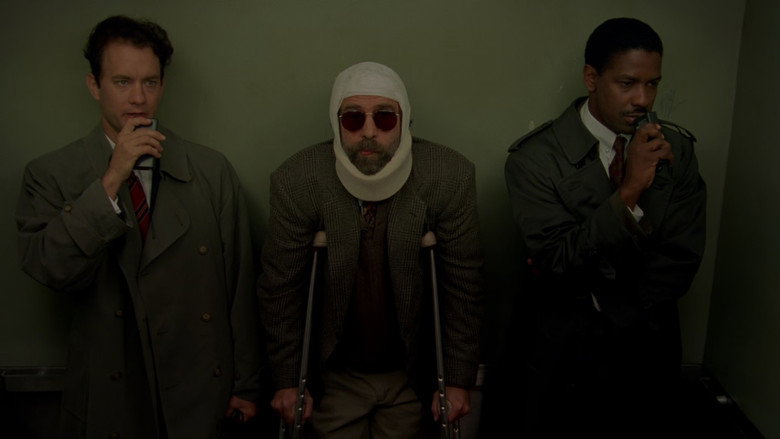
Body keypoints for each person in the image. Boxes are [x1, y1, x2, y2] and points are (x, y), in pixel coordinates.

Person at [16, 15, 262, 438]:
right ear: (94, 85)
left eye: (150, 82)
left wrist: (246, 384)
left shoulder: (211, 171)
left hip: (198, 394)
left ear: (163, 85)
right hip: (112, 391)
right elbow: (50, 268)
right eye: (122, 82)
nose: (138, 98)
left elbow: (238, 283)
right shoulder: (51, 174)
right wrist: (112, 178)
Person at [258, 61, 483, 438]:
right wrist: (287, 380)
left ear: (405, 120)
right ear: (335, 122)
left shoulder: (447, 176)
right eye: (352, 118)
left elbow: (463, 286)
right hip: (334, 377)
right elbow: (281, 290)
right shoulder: (298, 180)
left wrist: (458, 379)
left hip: (410, 374)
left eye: (384, 117)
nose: (368, 131)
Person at [504, 18, 706, 437]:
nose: (643, 99)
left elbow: (681, 258)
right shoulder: (534, 160)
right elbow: (558, 261)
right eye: (627, 83)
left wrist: (608, 298)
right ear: (591, 78)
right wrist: (629, 191)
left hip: (649, 355)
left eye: (653, 84)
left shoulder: (678, 152)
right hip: (566, 360)